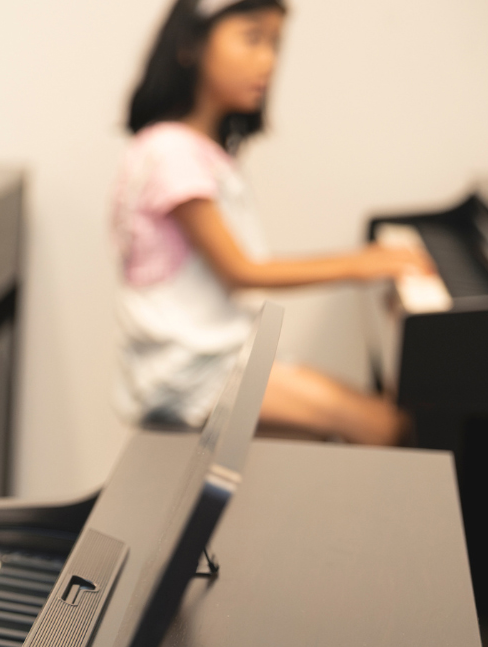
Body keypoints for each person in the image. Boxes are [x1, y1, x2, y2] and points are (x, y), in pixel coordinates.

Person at [114, 0, 430, 443]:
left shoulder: (193, 149)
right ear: (191, 43)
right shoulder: (172, 154)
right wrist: (364, 264)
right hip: (189, 375)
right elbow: (243, 271)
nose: (268, 60)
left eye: (276, 44)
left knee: (362, 423)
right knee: (385, 426)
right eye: (253, 38)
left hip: (213, 360)